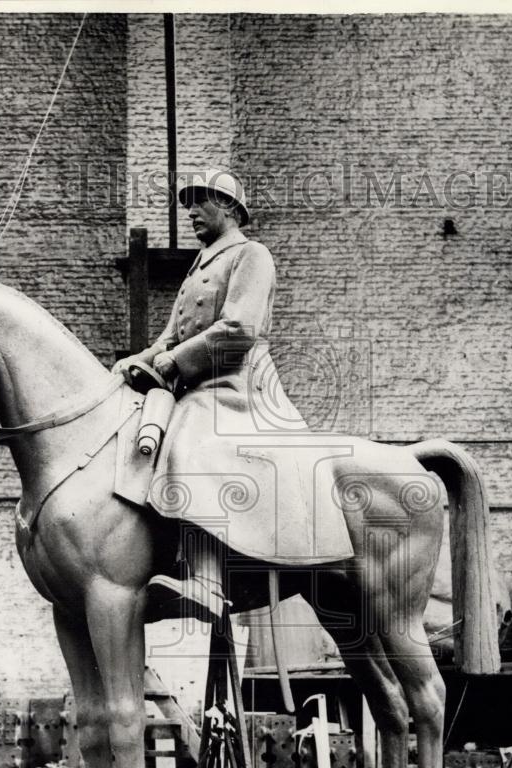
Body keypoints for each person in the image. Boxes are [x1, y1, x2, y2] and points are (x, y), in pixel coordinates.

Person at [114, 169, 351, 623]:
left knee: (189, 438)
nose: (190, 213)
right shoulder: (199, 266)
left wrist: (176, 361)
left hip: (238, 383)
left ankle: (207, 582)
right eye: (188, 204)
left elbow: (240, 328)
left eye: (200, 202)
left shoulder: (251, 255)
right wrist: (134, 363)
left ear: (228, 206)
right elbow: (169, 336)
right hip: (200, 380)